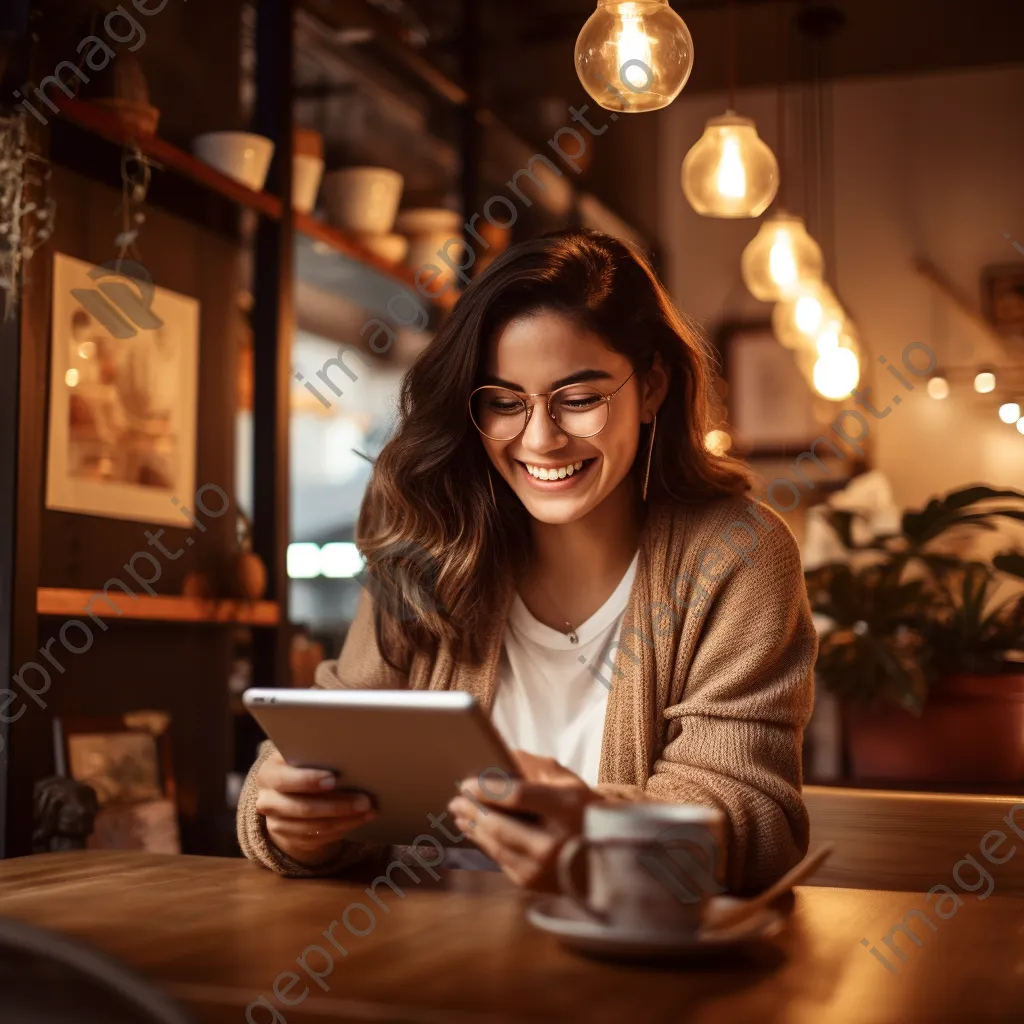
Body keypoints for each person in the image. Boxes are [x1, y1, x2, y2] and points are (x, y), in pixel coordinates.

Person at [237, 229, 817, 894]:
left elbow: (756, 817)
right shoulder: (428, 545)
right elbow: (326, 743)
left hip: (638, 973)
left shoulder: (737, 557)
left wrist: (600, 835)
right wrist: (292, 823)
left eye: (579, 398)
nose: (540, 438)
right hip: (428, 965)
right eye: (506, 402)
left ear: (651, 387)